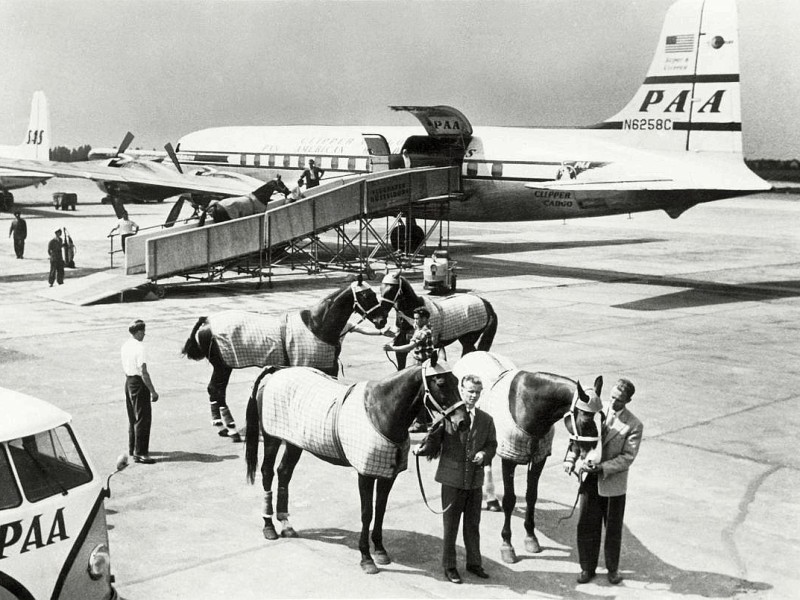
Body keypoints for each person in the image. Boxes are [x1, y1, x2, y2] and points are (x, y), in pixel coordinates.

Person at [415, 372, 497, 584]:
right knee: (450, 526)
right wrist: (421, 450)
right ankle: (449, 566)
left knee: (473, 524)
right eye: (470, 392)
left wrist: (485, 455)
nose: (473, 396)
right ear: (461, 391)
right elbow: (433, 442)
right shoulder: (447, 417)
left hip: (475, 482)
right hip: (452, 481)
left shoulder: (486, 420)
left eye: (477, 393)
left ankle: (474, 563)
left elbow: (492, 445)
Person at [563, 378, 643, 585]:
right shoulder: (597, 410)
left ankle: (612, 569)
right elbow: (577, 436)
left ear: (628, 400)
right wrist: (571, 459)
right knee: (586, 526)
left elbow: (627, 457)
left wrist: (602, 468)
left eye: (619, 400)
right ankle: (586, 568)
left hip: (612, 484)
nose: (613, 402)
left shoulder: (634, 425)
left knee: (613, 529)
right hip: (589, 481)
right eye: (612, 396)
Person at [383, 306, 436, 432]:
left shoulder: (424, 332)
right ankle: (424, 420)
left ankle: (420, 423)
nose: (415, 321)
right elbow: (413, 323)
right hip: (418, 362)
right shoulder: (423, 326)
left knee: (417, 392)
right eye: (415, 319)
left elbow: (409, 347)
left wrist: (392, 349)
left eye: (418, 319)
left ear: (424, 319)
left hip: (422, 364)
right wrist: (402, 314)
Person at [120, 319, 160, 464]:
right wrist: (153, 391)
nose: (144, 334)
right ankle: (141, 453)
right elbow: (144, 372)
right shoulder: (140, 347)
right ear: (137, 332)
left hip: (129, 382)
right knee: (143, 418)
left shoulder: (125, 345)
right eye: (143, 331)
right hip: (138, 383)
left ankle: (133, 448)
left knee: (133, 417)